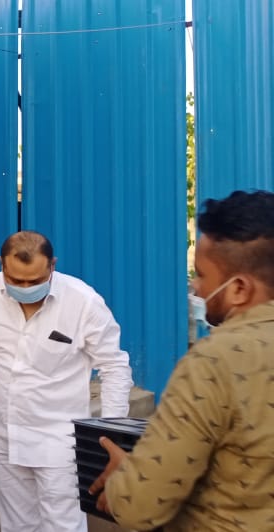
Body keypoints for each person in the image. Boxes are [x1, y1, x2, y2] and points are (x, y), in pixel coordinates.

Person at [89, 190, 274, 531]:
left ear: (239, 289)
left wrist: (125, 477)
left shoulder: (214, 361)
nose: (196, 288)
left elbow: (140, 507)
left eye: (201, 275)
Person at [0, 230, 133, 532]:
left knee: (63, 526)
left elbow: (114, 367)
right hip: (4, 437)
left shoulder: (83, 302)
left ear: (52, 266)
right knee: (16, 526)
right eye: (16, 281)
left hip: (58, 442)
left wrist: (110, 436)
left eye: (35, 281)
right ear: (1, 265)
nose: (25, 288)